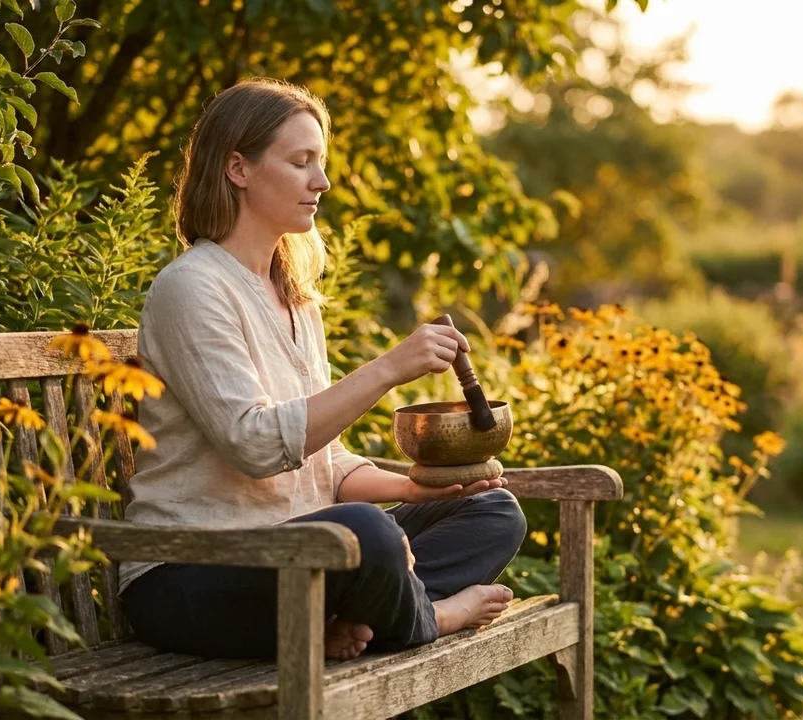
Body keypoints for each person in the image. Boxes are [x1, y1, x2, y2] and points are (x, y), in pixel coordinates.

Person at [117, 78, 526, 661]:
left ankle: (347, 622)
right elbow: (257, 445)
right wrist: (387, 369)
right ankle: (428, 615)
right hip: (195, 572)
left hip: (296, 557)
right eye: (301, 162)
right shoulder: (192, 288)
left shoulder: (295, 298)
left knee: (490, 510)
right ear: (239, 168)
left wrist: (418, 486)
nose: (322, 182)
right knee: (368, 533)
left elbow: (324, 464)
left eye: (322, 162)